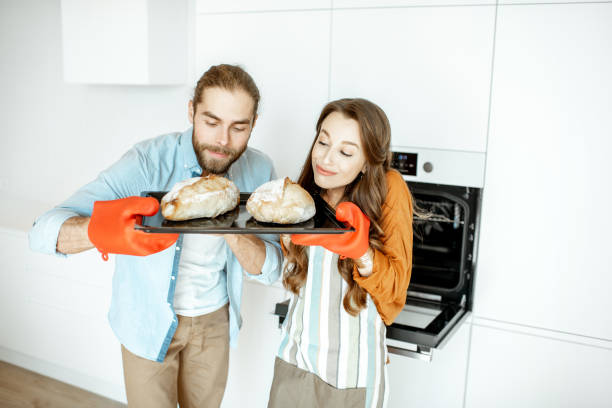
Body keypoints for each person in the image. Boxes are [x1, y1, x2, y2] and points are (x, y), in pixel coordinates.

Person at [28, 64, 282, 408]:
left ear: (253, 124)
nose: (223, 141)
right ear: (191, 110)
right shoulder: (146, 163)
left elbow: (270, 270)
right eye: (211, 122)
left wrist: (234, 229)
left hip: (214, 321)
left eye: (239, 127)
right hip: (148, 320)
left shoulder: (259, 169)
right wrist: (104, 232)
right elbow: (44, 231)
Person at [267, 98, 414, 408]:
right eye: (323, 141)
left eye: (346, 152)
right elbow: (294, 275)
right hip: (294, 361)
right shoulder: (304, 193)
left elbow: (395, 294)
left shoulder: (389, 190)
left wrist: (362, 253)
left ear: (367, 162)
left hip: (351, 375)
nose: (326, 159)